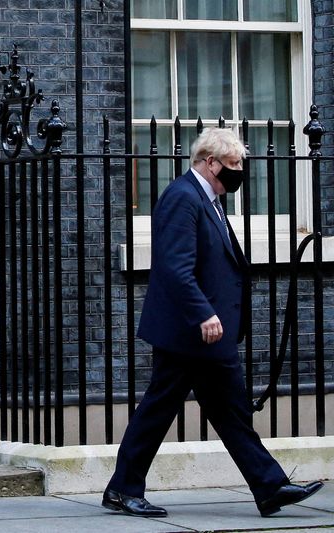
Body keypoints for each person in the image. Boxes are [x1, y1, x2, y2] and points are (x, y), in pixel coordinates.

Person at [102, 127, 323, 518]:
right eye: (234, 165)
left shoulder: (210, 200)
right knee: (160, 408)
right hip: (189, 331)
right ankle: (123, 489)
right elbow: (174, 268)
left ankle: (269, 487)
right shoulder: (182, 198)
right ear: (209, 162)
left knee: (230, 411)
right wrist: (203, 312)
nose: (239, 172)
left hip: (208, 334)